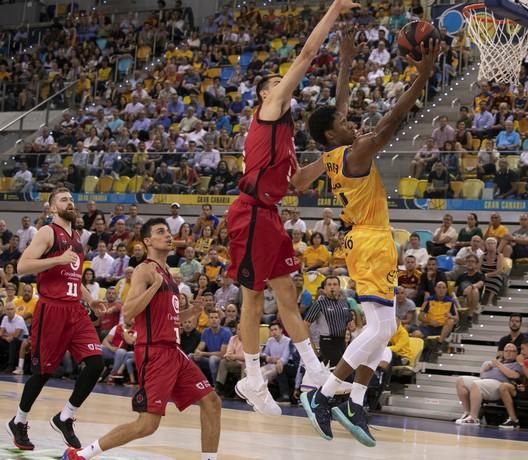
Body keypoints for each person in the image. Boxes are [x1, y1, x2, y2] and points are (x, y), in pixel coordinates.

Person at [300, 32, 440, 446]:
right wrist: (423, 77)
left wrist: (345, 61)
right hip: (374, 241)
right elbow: (391, 120)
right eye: (344, 125)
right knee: (379, 329)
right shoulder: (356, 152)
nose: (350, 122)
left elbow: (336, 109)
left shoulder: (330, 156)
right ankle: (326, 394)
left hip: (363, 241)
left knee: (386, 327)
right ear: (331, 136)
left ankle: (355, 400)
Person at [226, 0, 359, 416]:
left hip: (268, 215)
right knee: (252, 300)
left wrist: (336, 154)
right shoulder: (268, 110)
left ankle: (315, 369)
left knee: (287, 292)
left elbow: (298, 183)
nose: (284, 85)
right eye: (276, 82)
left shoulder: (282, 139)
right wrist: (335, 9)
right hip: (248, 214)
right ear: (267, 93)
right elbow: (305, 56)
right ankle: (251, 377)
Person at [62, 218, 221, 460]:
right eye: (160, 232)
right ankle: (81, 454)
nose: (168, 236)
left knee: (212, 402)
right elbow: (129, 311)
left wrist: (190, 313)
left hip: (173, 351)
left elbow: (166, 317)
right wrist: (153, 287)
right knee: (147, 424)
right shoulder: (145, 270)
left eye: (168, 232)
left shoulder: (167, 272)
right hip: (155, 352)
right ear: (147, 241)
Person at [8, 188, 106, 452]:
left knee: (97, 363)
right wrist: (57, 259)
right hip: (52, 309)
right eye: (63, 199)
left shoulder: (76, 238)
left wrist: (90, 299)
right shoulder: (47, 232)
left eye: (72, 199)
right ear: (52, 208)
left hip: (75, 310)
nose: (70, 202)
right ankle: (19, 421)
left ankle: (65, 417)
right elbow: (22, 267)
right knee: (43, 372)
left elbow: (72, 277)